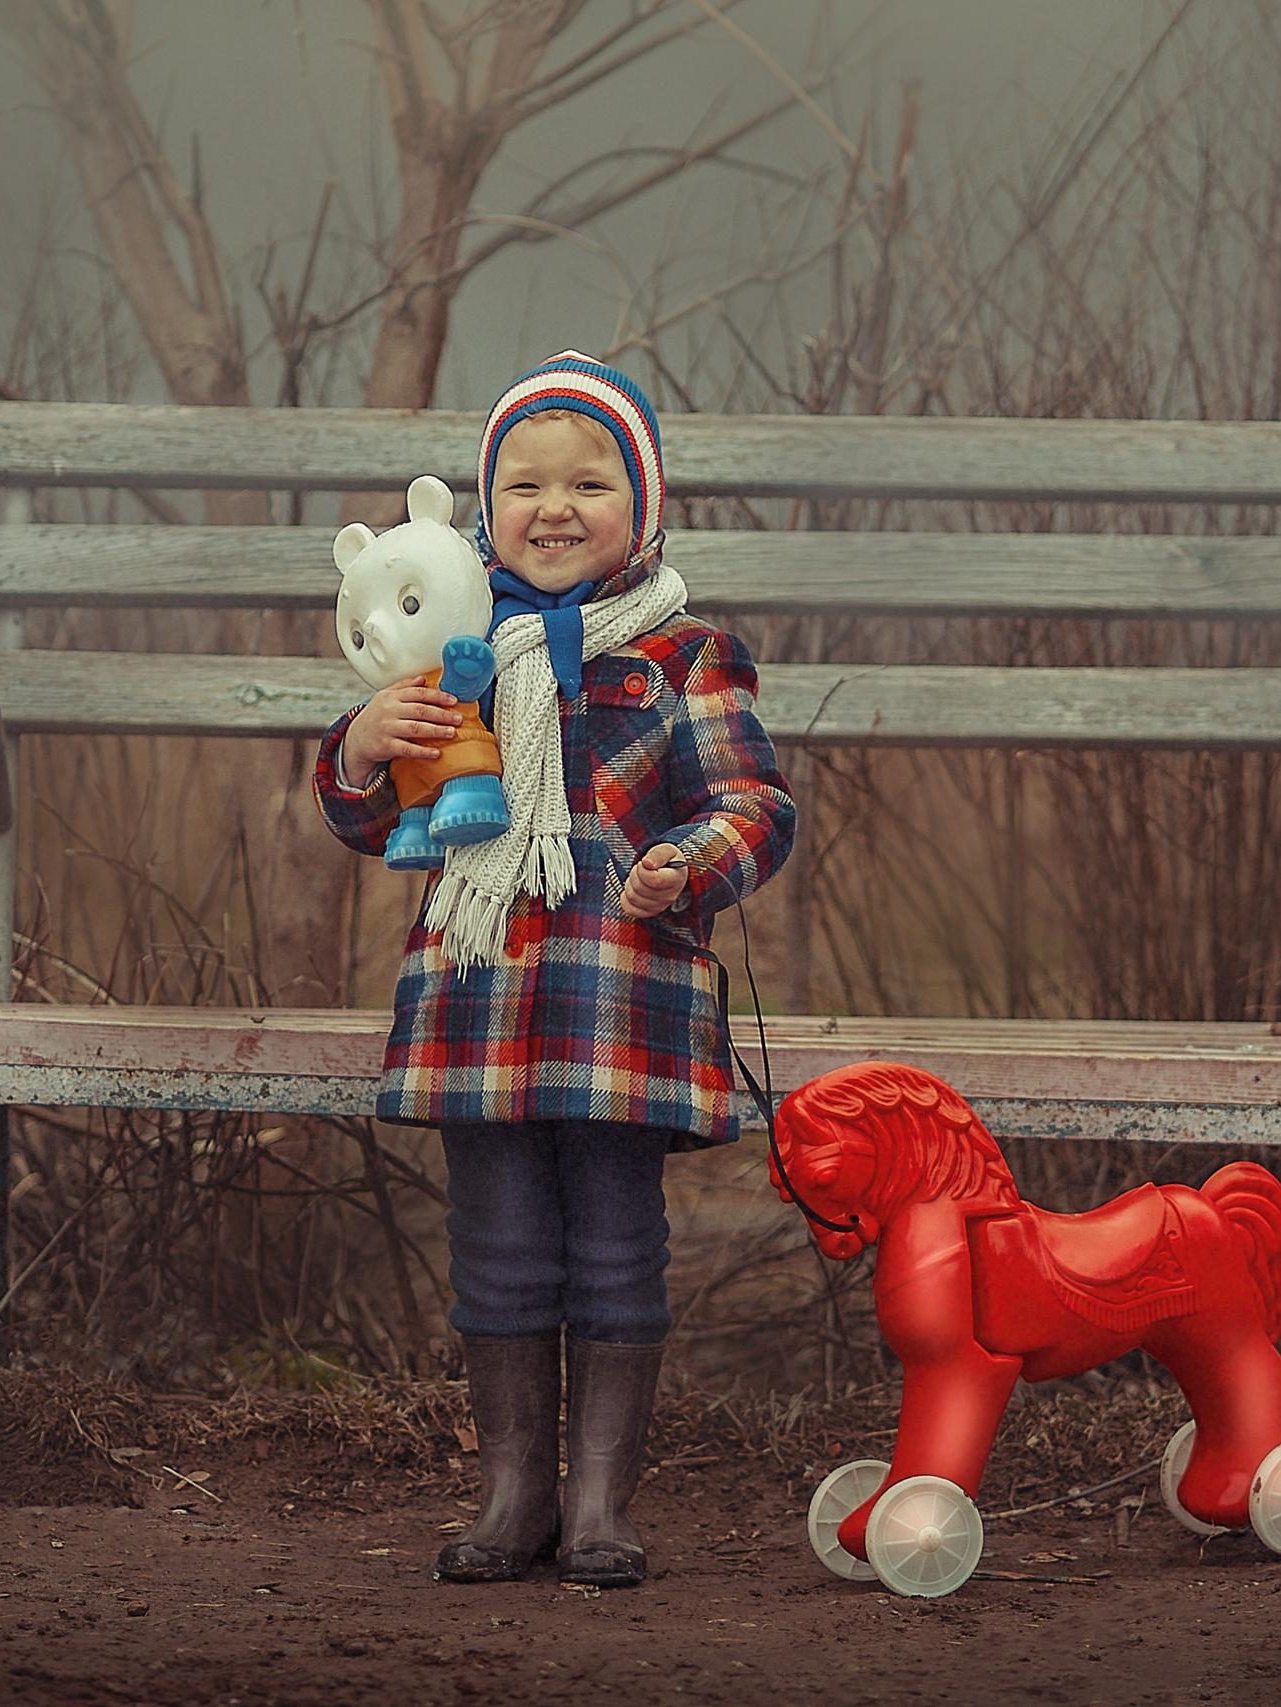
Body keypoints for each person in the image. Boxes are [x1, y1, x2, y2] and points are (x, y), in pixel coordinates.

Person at [315, 351, 795, 1588]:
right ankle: (514, 1492)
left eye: (591, 481)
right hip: (480, 993)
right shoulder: (447, 642)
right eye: (524, 483)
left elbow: (754, 803)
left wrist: (689, 861)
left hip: (621, 989)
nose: (554, 507)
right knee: (503, 1241)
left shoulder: (689, 654)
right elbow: (379, 827)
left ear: (642, 507)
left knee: (617, 1246)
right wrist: (364, 748)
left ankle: (597, 1509)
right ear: (485, 508)